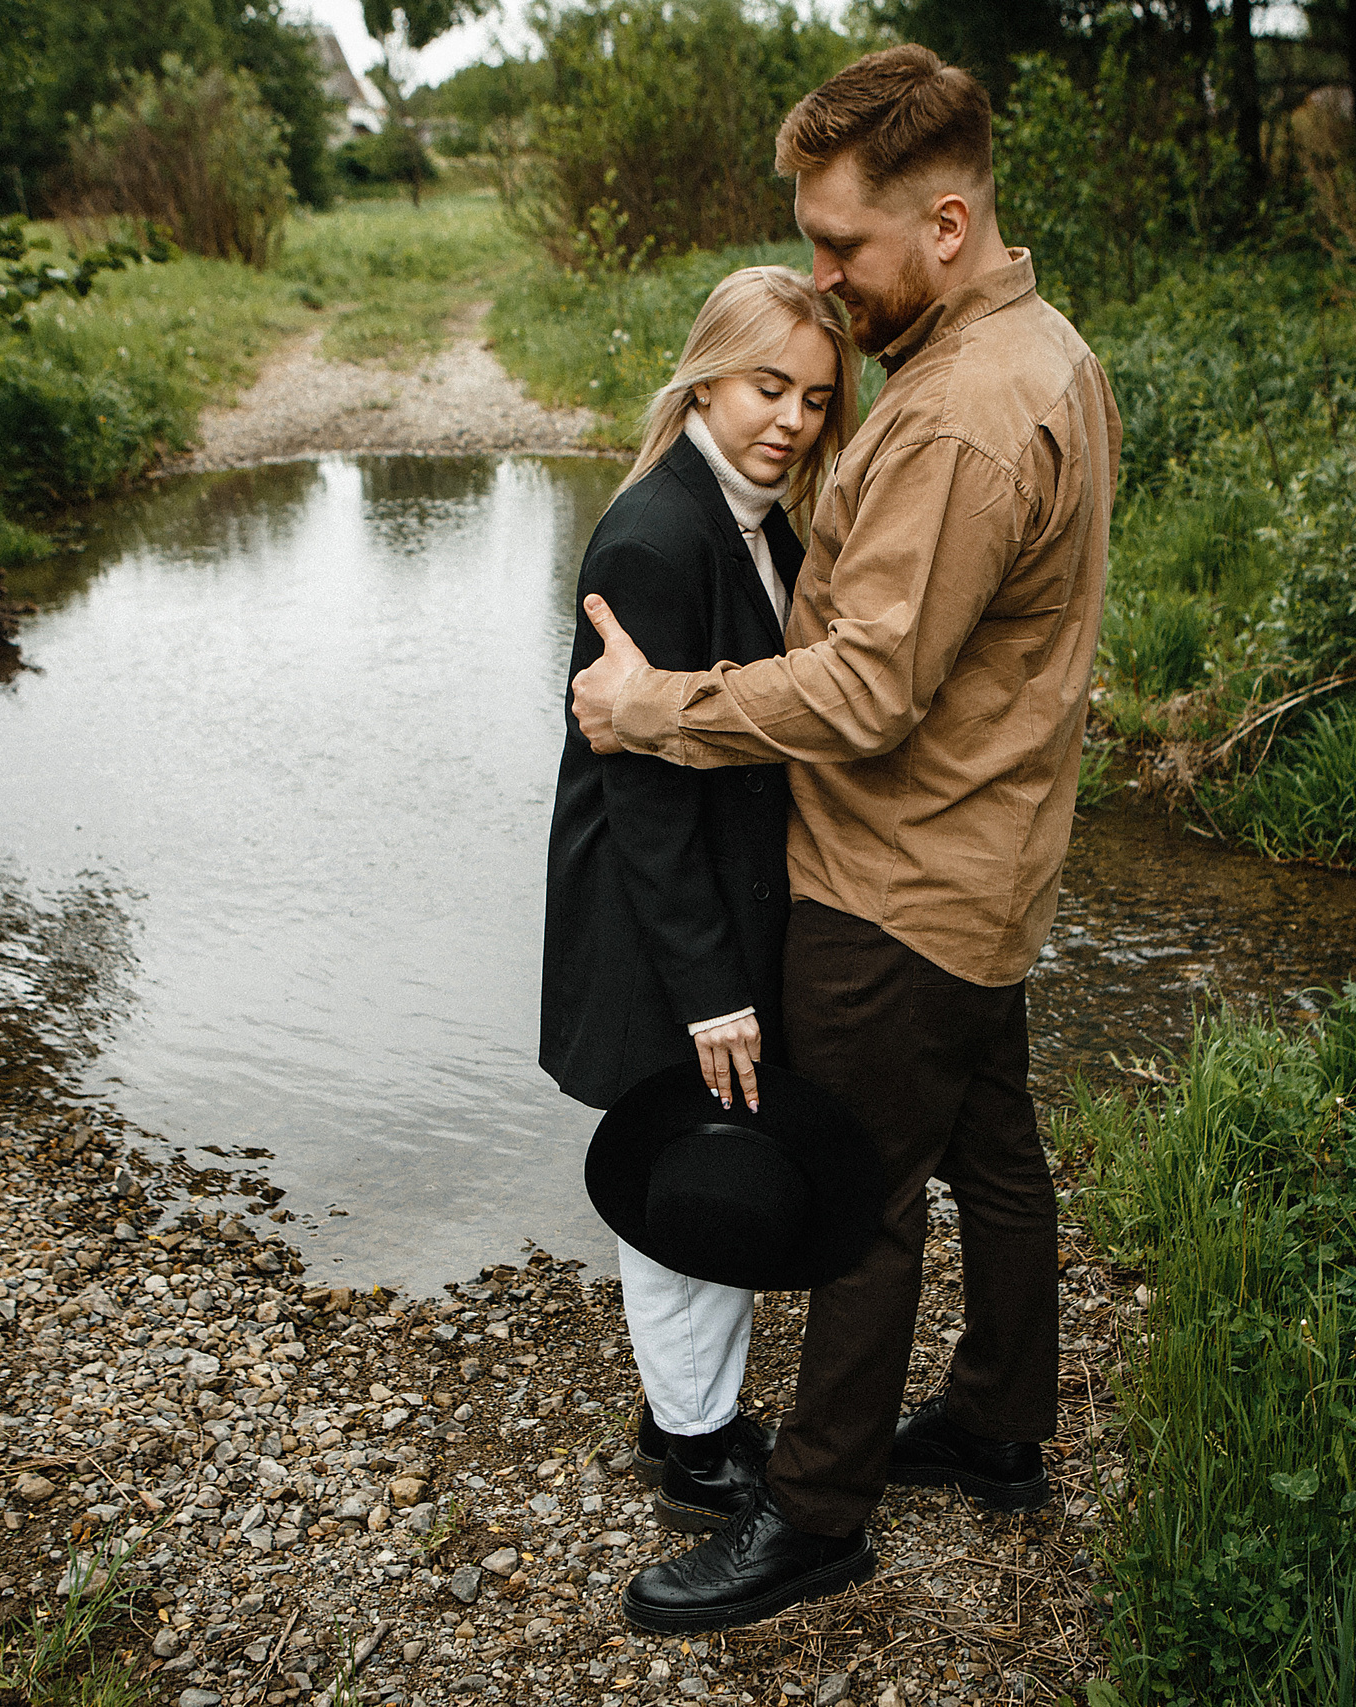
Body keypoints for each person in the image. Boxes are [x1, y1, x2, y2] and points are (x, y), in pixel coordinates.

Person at [569, 44, 1123, 1634]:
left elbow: (873, 687)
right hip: (994, 860)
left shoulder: (958, 415)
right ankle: (1003, 1424)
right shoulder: (1047, 348)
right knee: (997, 1155)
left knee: (864, 1195)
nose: (822, 277)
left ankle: (815, 1516)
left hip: (896, 883)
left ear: (943, 223)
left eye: (843, 246)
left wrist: (659, 707)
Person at [540, 266, 861, 1537]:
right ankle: (692, 1448)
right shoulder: (656, 536)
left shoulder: (762, 519)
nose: (789, 419)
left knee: (710, 1139)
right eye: (767, 387)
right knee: (686, 1162)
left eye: (817, 399)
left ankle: (685, 1406)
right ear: (706, 377)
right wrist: (714, 988)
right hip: (654, 915)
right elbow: (648, 798)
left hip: (714, 900)